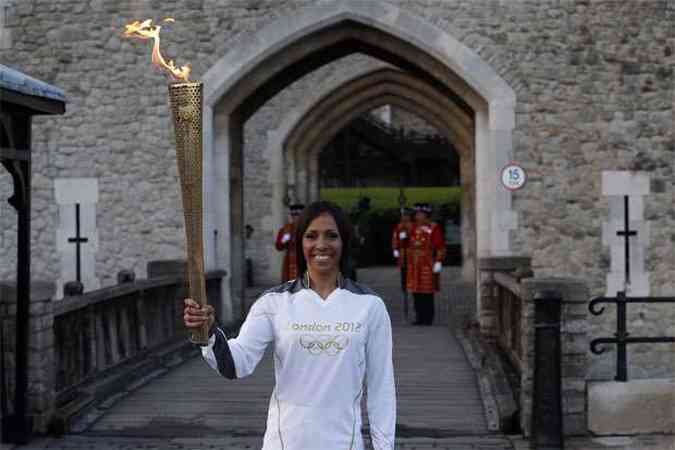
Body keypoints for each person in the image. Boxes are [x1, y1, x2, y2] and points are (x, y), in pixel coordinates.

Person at [183, 201, 396, 450]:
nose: (321, 245)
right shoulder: (275, 302)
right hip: (285, 442)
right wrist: (208, 332)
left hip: (343, 443)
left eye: (331, 236)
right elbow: (235, 364)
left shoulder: (370, 306)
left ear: (344, 242)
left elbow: (382, 387)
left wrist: (384, 447)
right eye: (311, 236)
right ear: (300, 243)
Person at [406, 203, 445, 325]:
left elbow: (440, 247)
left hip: (427, 263)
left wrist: (438, 261)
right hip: (414, 264)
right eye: (417, 214)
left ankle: (428, 317)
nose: (418, 217)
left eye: (421, 214)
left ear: (426, 215)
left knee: (427, 292)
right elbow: (405, 242)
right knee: (416, 291)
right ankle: (419, 316)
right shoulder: (412, 228)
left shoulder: (433, 228)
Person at [392, 208, 413, 321]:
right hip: (402, 253)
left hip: (410, 253)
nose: (404, 218)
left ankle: (411, 285)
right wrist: (395, 248)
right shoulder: (399, 226)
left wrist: (407, 236)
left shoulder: (412, 226)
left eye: (406, 216)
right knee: (403, 273)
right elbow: (395, 237)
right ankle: (404, 286)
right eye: (403, 216)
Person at [274, 203, 304, 282]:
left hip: (304, 259)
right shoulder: (286, 229)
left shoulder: (307, 228)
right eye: (293, 215)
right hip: (290, 261)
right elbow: (278, 247)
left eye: (298, 214)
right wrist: (284, 240)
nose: (296, 217)